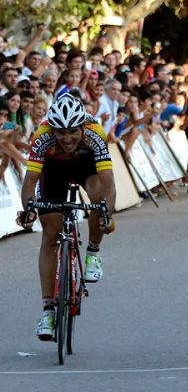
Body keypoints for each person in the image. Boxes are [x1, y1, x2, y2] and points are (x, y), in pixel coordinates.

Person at [16, 94, 116, 340]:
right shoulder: (42, 136)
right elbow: (30, 182)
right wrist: (29, 208)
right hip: (53, 171)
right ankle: (48, 310)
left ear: (82, 126)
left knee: (97, 197)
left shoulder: (95, 133)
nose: (67, 138)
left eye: (72, 131)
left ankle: (93, 252)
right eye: (61, 133)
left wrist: (106, 214)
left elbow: (109, 185)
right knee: (50, 235)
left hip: (86, 166)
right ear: (53, 128)